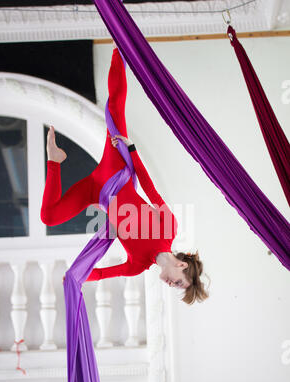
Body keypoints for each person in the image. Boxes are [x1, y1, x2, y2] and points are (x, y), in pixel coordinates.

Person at [41, 42, 209, 305]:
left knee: (49, 217)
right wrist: (131, 151)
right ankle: (120, 47)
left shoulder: (137, 266)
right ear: (182, 266)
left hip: (97, 194)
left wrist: (75, 277)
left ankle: (55, 160)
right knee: (114, 109)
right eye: (178, 282)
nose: (170, 284)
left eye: (175, 287)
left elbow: (102, 273)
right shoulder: (169, 228)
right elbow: (150, 188)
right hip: (117, 174)